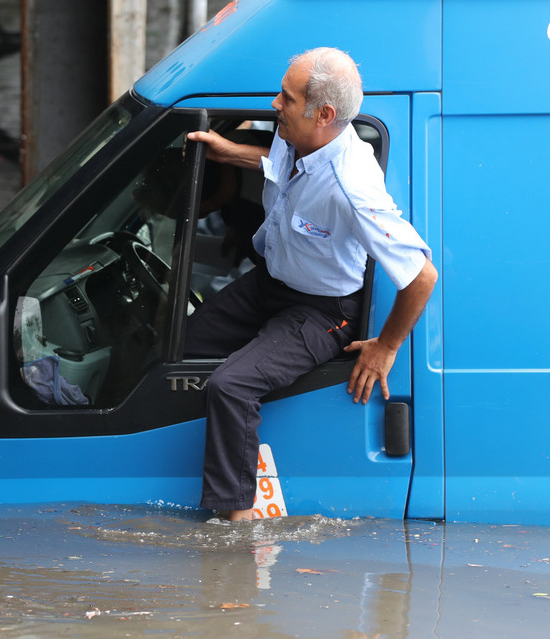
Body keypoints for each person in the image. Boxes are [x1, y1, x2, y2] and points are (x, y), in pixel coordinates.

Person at [184, 47, 438, 521]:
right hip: (270, 283)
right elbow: (280, 166)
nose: (274, 104)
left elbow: (422, 276)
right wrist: (230, 151)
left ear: (323, 114)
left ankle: (237, 523)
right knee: (182, 347)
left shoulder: (353, 187)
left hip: (322, 310)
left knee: (231, 386)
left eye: (286, 96)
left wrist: (386, 346)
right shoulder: (299, 138)